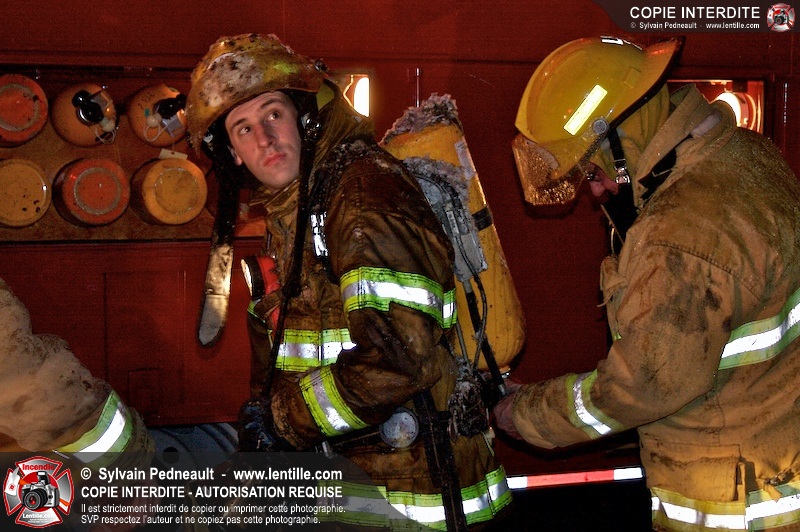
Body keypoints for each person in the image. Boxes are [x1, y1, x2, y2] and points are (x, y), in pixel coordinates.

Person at [185, 33, 511, 530]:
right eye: (244, 128)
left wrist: (285, 420)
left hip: (414, 494)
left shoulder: (360, 196)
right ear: (232, 153)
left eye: (273, 114)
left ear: (305, 116)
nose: (265, 139)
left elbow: (401, 357)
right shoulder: (297, 207)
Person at [493, 35, 800, 531]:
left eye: (593, 170)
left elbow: (645, 383)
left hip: (735, 504)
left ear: (623, 138)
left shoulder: (680, 231)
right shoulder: (743, 155)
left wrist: (525, 414)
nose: (595, 191)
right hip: (779, 465)